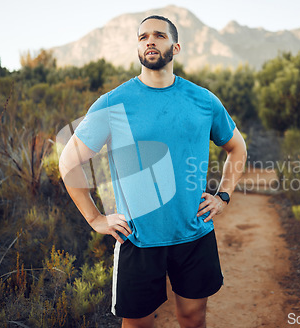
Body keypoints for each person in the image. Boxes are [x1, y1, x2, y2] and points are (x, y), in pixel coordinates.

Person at [59, 14, 247, 328]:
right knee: (138, 325)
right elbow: (68, 161)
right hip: (138, 239)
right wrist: (95, 218)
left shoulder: (203, 101)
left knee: (192, 317)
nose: (150, 41)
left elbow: (237, 148)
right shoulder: (113, 103)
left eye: (159, 35)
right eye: (143, 36)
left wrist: (223, 196)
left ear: (176, 46)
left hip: (194, 234)